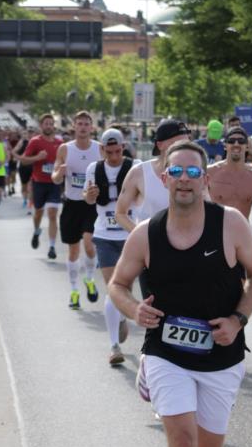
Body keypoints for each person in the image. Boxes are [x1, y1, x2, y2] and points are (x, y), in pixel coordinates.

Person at [109, 141, 252, 447]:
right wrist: (133, 310)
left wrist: (238, 319)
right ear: (163, 178)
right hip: (166, 351)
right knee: (180, 442)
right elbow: (119, 285)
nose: (184, 179)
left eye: (193, 173)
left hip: (221, 356)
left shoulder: (230, 225)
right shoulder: (146, 233)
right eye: (176, 172)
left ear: (206, 179)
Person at [83, 129, 137, 363]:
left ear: (123, 147)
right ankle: (114, 346)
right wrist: (91, 195)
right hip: (105, 235)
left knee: (125, 291)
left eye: (118, 151)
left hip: (131, 236)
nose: (115, 156)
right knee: (112, 288)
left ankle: (122, 317)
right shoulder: (93, 169)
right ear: (102, 150)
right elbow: (87, 198)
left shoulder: (135, 167)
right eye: (110, 152)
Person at [52, 110, 101, 309]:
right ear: (74, 126)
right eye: (79, 123)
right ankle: (73, 290)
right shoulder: (65, 149)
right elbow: (54, 177)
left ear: (91, 127)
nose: (82, 127)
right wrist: (59, 173)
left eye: (86, 124)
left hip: (91, 204)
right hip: (71, 204)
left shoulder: (100, 149)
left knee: (89, 244)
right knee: (73, 251)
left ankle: (89, 279)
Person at [115, 118, 191, 231]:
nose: (183, 149)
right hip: (148, 246)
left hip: (186, 244)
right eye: (177, 144)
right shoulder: (139, 172)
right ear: (160, 145)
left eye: (187, 144)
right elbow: (120, 213)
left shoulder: (196, 173)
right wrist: (141, 237)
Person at [207, 125, 252, 220]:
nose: (236, 144)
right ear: (225, 146)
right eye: (231, 141)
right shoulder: (210, 172)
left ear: (247, 147)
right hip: (215, 232)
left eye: (241, 141)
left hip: (241, 233)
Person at [21, 114, 63, 258]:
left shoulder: (59, 143)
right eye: (46, 123)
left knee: (52, 214)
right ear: (41, 126)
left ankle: (51, 247)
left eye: (51, 123)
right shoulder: (35, 142)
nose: (49, 126)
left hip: (54, 183)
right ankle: (37, 230)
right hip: (38, 183)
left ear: (54, 126)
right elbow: (24, 161)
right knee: (38, 212)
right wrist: (37, 158)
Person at [13, 132, 32, 210]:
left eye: (27, 134)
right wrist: (19, 158)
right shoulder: (21, 143)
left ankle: (30, 202)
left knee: (30, 186)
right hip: (23, 167)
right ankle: (25, 200)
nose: (26, 135)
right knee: (24, 185)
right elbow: (13, 152)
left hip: (31, 166)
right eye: (24, 134)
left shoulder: (33, 142)